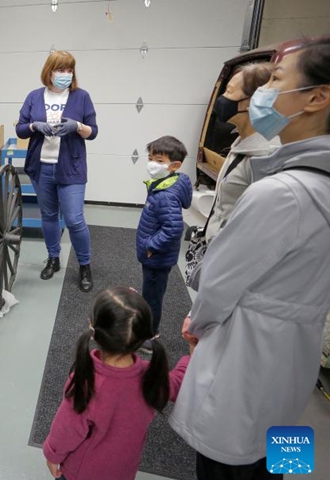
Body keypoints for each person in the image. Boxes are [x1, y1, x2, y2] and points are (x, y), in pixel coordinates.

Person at [170, 37, 330, 480]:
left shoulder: (280, 192)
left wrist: (195, 325)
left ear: (318, 96)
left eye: (277, 79)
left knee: (232, 462)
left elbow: (217, 286)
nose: (263, 95)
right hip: (294, 357)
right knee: (282, 451)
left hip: (243, 366)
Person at [43, 287, 192, 480]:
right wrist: (191, 354)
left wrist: (52, 455)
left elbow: (67, 429)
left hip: (81, 473)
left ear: (93, 330)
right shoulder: (151, 375)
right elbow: (178, 383)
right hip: (124, 471)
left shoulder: (88, 380)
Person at [16, 50, 98, 290]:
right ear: (49, 72)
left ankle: (84, 265)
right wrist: (33, 125)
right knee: (49, 217)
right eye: (61, 70)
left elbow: (93, 131)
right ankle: (53, 258)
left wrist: (78, 126)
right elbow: (20, 129)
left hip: (71, 168)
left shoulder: (81, 97)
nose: (66, 74)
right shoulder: (34, 96)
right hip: (41, 167)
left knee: (74, 219)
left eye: (69, 70)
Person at [204, 62, 281, 243]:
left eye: (229, 92)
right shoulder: (242, 142)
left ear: (254, 101)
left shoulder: (266, 156)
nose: (222, 99)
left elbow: (263, 228)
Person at [136, 136, 192, 349]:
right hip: (158, 256)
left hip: (157, 258)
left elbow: (173, 228)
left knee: (152, 297)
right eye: (150, 158)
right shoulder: (166, 184)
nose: (152, 164)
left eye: (159, 161)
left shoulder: (166, 195)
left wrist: (151, 246)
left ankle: (148, 337)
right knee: (151, 293)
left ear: (174, 166)